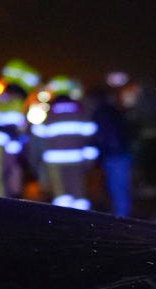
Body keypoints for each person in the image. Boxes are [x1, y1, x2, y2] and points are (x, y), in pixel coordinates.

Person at [32, 76, 96, 210]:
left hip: (55, 160)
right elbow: (91, 132)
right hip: (77, 158)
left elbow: (38, 133)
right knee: (78, 192)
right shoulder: (80, 109)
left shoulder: (49, 111)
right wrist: (90, 157)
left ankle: (63, 223)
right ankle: (83, 222)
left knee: (61, 195)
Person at [0, 58, 39, 198]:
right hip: (14, 141)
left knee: (0, 174)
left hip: (4, 140)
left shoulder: (11, 98)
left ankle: (0, 205)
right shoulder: (21, 99)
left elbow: (10, 121)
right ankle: (12, 201)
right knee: (14, 172)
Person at [87, 88, 133, 217]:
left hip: (114, 154)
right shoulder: (113, 111)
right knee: (119, 187)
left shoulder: (101, 113)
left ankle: (122, 218)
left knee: (118, 188)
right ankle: (121, 215)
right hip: (120, 153)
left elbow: (102, 137)